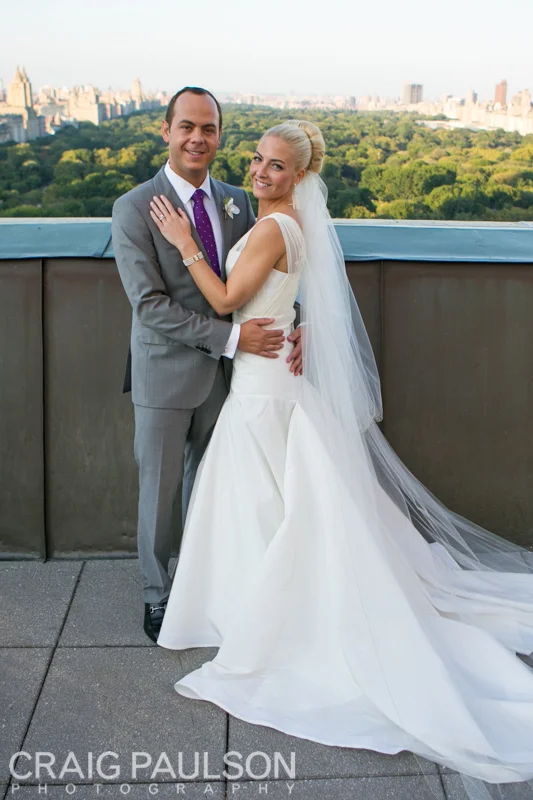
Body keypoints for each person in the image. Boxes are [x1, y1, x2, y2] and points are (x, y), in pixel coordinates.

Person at [155, 119, 533, 797]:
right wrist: (294, 326)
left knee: (264, 492)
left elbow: (226, 300)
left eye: (276, 167)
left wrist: (184, 243)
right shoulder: (291, 222)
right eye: (259, 161)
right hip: (275, 378)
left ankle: (262, 608)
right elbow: (285, 300)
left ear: (299, 175)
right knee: (278, 495)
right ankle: (258, 597)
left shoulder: (273, 228)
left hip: (262, 388)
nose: (261, 173)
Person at [112, 87, 303, 642]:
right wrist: (232, 337)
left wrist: (302, 322)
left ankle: (209, 586)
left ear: (220, 135)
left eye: (210, 128)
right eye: (187, 127)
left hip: (234, 379)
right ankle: (157, 593)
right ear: (166, 131)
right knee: (161, 490)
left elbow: (274, 273)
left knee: (218, 487)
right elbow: (149, 306)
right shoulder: (134, 207)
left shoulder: (239, 200)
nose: (198, 138)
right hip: (167, 374)